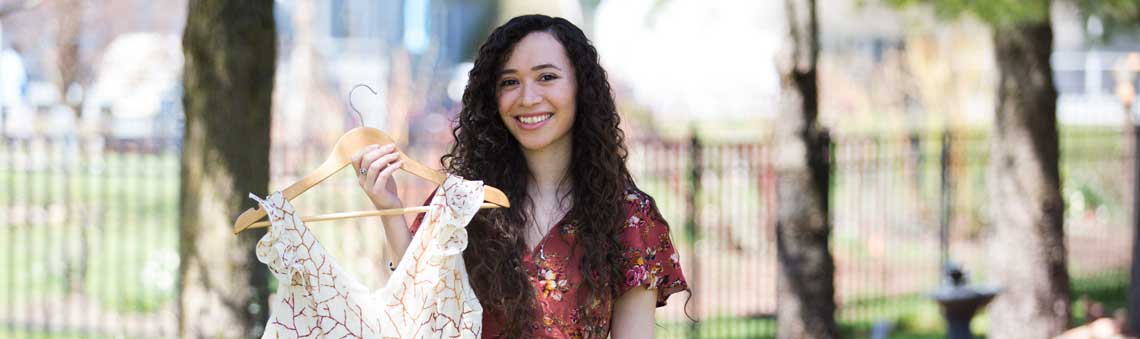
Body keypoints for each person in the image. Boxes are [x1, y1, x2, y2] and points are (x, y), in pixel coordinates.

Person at [351, 14, 689, 339]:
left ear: (580, 87)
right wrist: (390, 210)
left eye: (546, 77)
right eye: (510, 82)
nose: (528, 98)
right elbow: (419, 313)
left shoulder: (629, 218)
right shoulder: (462, 204)